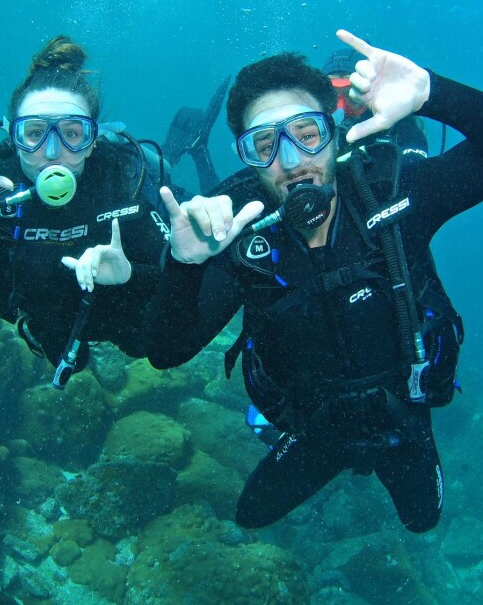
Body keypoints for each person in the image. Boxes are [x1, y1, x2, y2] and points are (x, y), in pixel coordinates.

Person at [145, 29, 483, 533]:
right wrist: (184, 265)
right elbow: (166, 351)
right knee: (250, 517)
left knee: (422, 523)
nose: (291, 162)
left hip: (403, 417)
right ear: (247, 157)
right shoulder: (238, 232)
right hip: (312, 429)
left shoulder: (391, 191)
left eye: (307, 134)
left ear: (334, 131)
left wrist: (432, 92)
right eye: (264, 144)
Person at [0, 36, 178, 389]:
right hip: (40, 312)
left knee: (146, 346)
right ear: (13, 137)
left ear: (93, 141)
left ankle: (182, 148)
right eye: (33, 133)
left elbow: (174, 279)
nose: (52, 152)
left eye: (72, 134)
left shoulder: (119, 180)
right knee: (67, 361)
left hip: (111, 308)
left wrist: (130, 275)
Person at [322, 46, 429, 161]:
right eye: (332, 98)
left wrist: (431, 92)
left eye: (353, 97)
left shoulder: (397, 126)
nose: (341, 109)